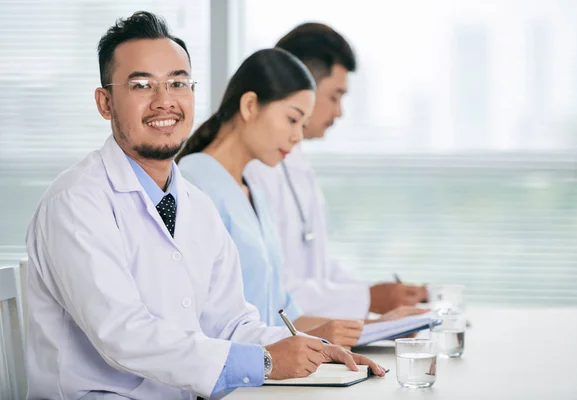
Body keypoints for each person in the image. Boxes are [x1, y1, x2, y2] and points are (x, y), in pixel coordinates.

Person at [25, 12, 384, 400]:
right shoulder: (77, 202)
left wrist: (313, 350)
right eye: (142, 85)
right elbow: (124, 334)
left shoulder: (195, 205)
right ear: (105, 102)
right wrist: (263, 362)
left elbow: (230, 323)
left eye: (178, 83)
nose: (164, 101)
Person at [176, 48, 426, 350]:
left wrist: (379, 326)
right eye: (292, 120)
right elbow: (198, 322)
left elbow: (285, 315)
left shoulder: (253, 192)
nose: (297, 137)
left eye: (302, 125)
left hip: (270, 372)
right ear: (250, 105)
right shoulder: (194, 183)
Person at [244, 23, 428, 320]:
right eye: (335, 96)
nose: (340, 112)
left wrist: (377, 297)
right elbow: (273, 290)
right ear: (300, 86)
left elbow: (317, 266)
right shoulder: (255, 169)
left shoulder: (296, 163)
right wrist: (368, 299)